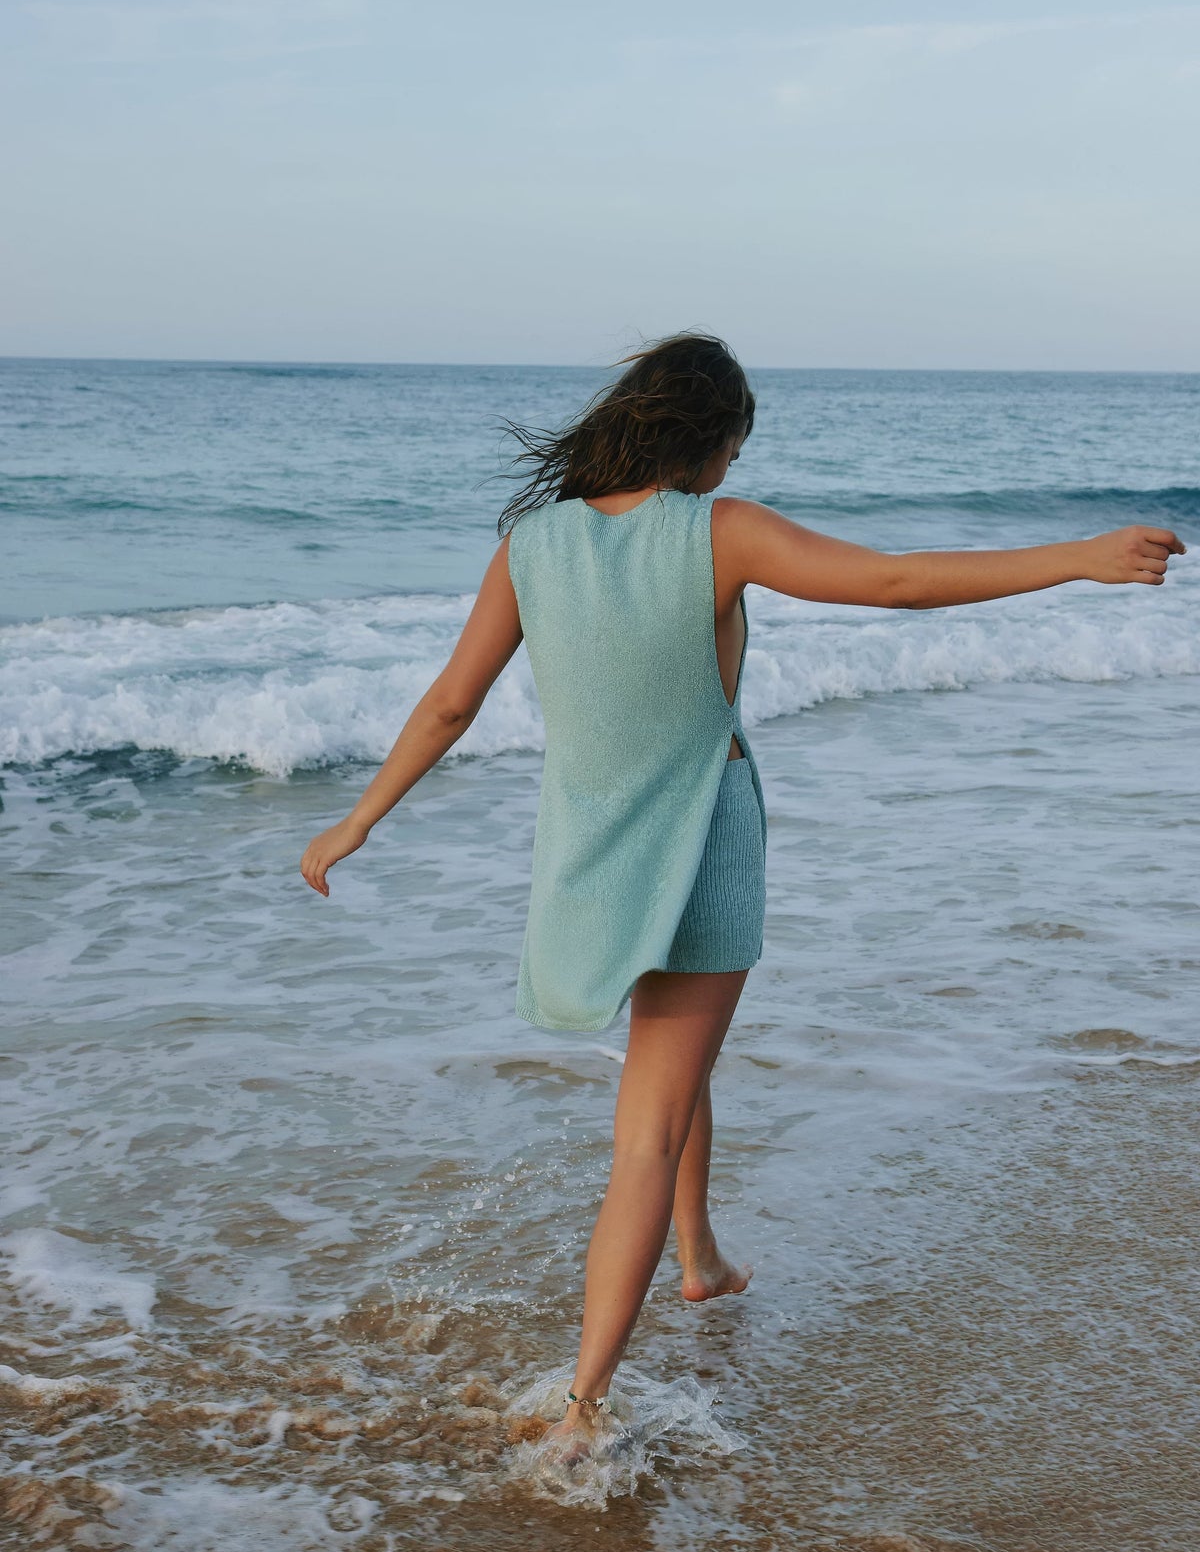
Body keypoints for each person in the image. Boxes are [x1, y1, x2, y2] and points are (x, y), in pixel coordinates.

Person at [299, 332, 1184, 1456]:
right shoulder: (718, 530)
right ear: (706, 438)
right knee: (649, 1127)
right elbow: (896, 583)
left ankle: (700, 1257)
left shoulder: (532, 545)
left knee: (672, 1063)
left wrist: (359, 819)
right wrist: (1081, 556)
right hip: (702, 842)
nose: (734, 462)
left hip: (590, 851)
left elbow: (449, 705)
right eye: (734, 442)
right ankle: (583, 1409)